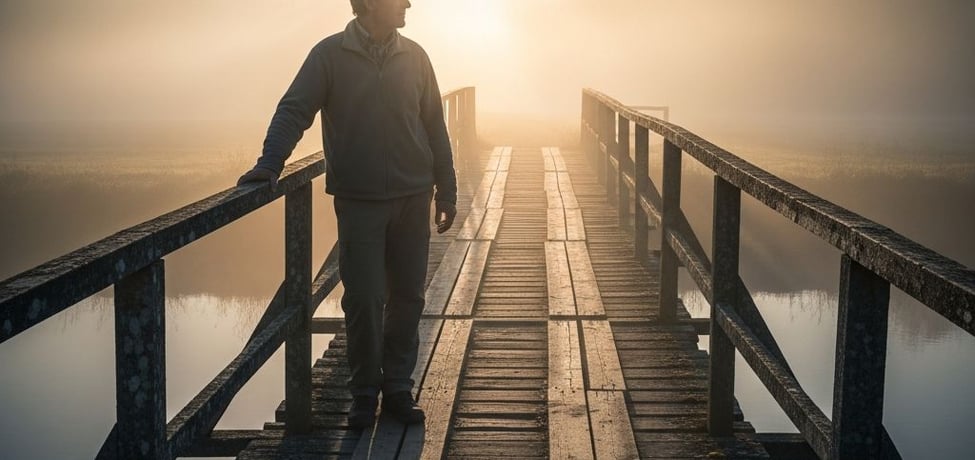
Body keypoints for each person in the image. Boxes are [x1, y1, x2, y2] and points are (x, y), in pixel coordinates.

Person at [237, 0, 457, 429]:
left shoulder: (415, 56)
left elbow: (435, 125)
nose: (408, 4)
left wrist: (446, 190)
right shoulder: (329, 55)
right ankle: (363, 394)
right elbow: (294, 109)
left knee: (408, 297)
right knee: (364, 300)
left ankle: (396, 387)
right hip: (359, 202)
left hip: (414, 196)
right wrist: (270, 163)